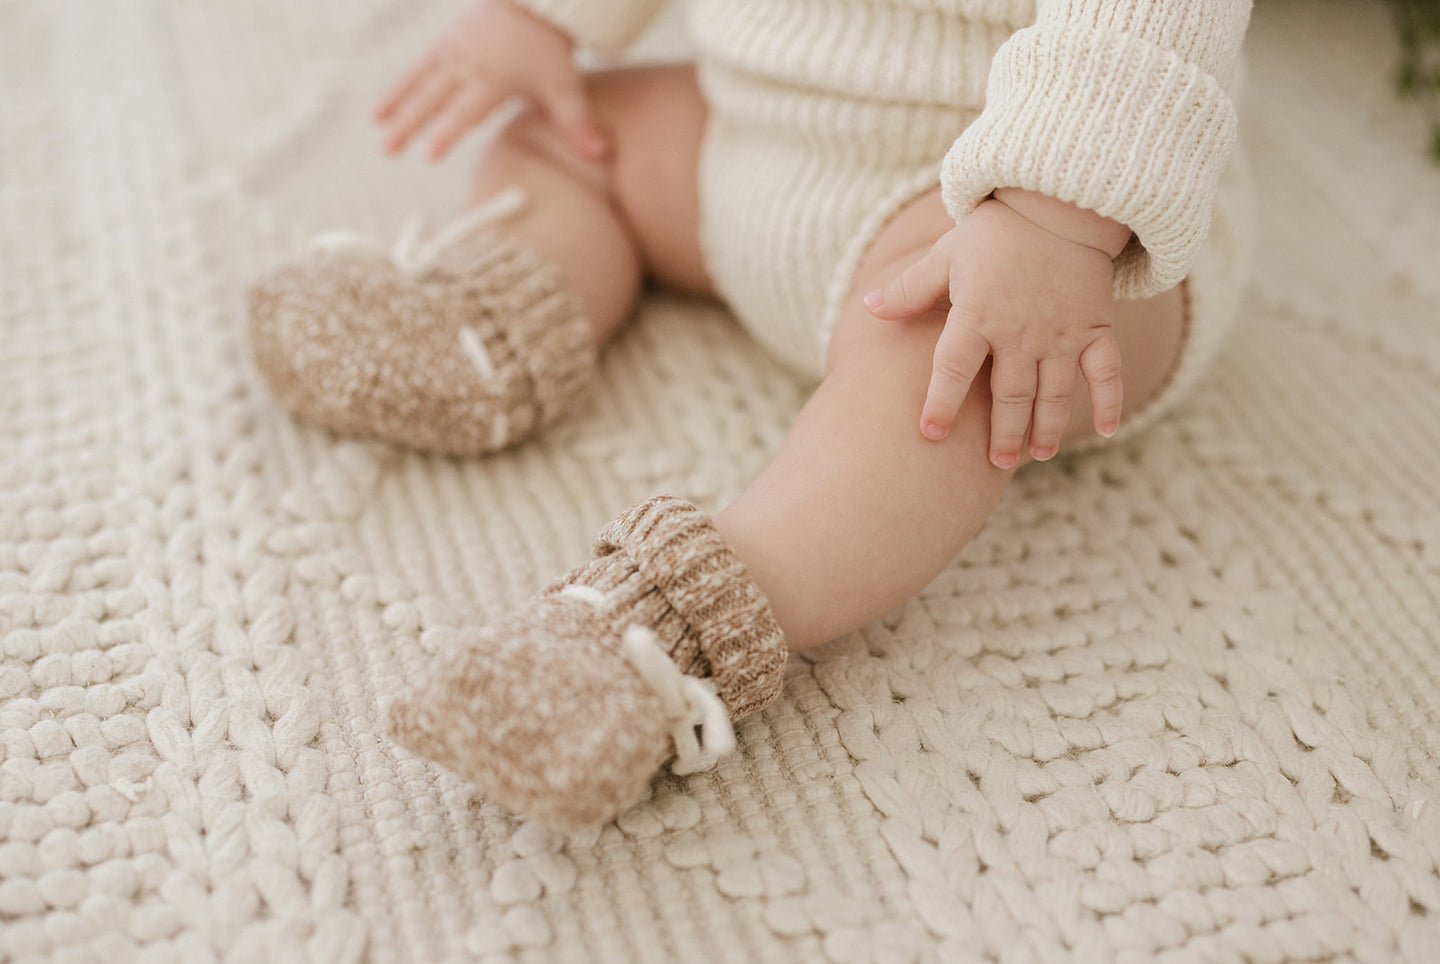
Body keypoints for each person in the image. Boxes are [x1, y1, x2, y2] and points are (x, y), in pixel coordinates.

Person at [248, 0, 1254, 830]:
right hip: (760, 140)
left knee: (955, 368)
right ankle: (490, 325)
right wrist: (542, 21)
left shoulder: (1055, 208)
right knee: (563, 134)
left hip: (1034, 215)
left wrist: (1056, 217)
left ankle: (675, 626)